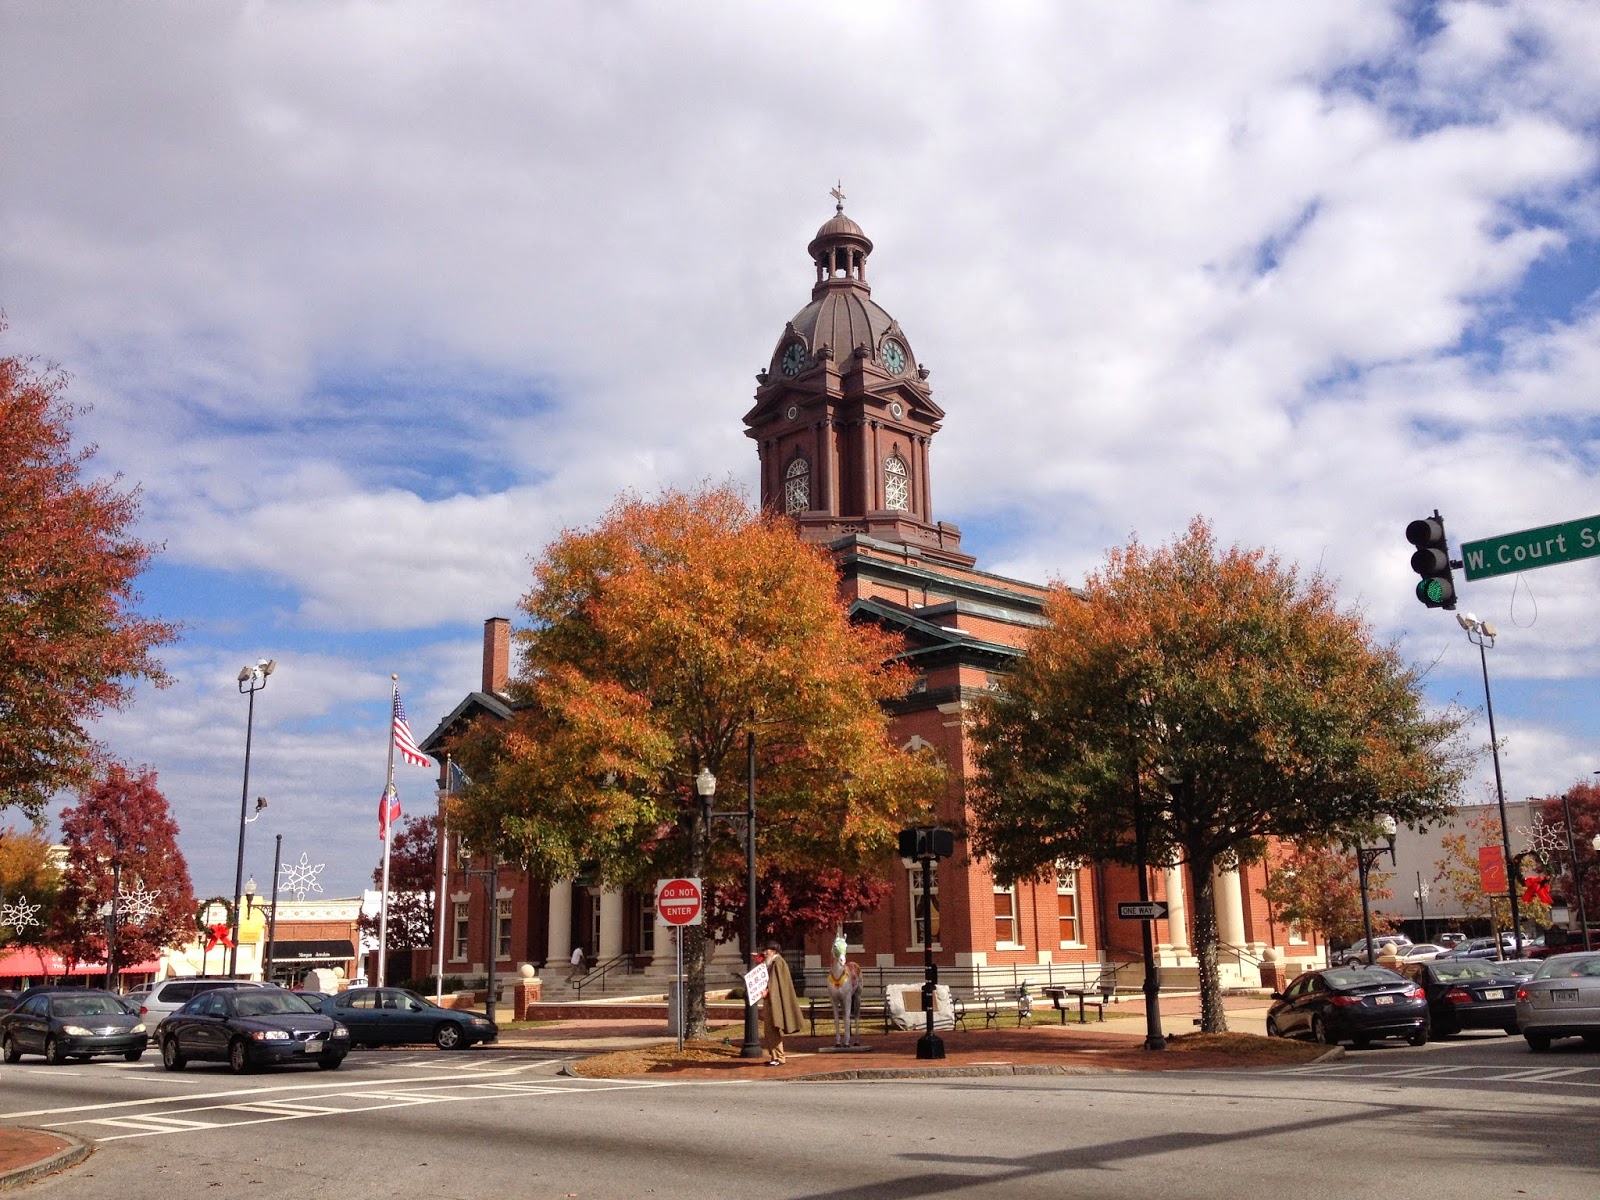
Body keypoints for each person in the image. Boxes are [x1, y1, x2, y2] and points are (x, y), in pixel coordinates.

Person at [758, 942, 802, 1066]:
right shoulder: (772, 963)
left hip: (775, 1001)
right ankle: (775, 1056)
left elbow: (776, 983)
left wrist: (768, 991)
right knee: (769, 1030)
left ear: (774, 951)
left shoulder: (778, 963)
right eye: (764, 950)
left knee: (773, 1028)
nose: (765, 952)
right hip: (770, 1001)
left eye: (767, 950)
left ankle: (779, 1057)